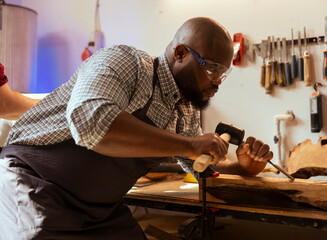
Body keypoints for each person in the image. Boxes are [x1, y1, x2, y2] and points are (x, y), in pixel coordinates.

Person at [0, 17, 273, 239]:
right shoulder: (126, 62)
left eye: (223, 74)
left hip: (98, 210)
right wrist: (190, 145)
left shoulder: (184, 107)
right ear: (180, 53)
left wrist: (241, 167)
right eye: (212, 70)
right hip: (34, 185)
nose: (218, 83)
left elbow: (196, 165)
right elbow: (92, 121)